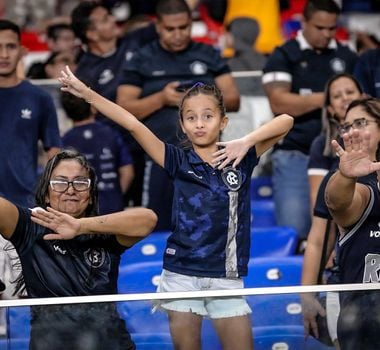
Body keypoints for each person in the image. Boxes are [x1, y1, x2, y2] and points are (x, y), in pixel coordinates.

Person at [58, 64, 293, 350]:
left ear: (223, 121)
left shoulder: (241, 157)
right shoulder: (176, 160)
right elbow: (132, 123)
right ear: (182, 124)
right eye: (191, 117)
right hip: (181, 275)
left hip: (226, 277)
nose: (200, 123)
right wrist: (87, 94)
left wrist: (246, 141)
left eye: (208, 116)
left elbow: (286, 120)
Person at [0, 148, 157, 349]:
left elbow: (148, 220)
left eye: (81, 183)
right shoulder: (29, 227)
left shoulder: (103, 232)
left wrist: (80, 226)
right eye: (60, 182)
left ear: (90, 196)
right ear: (46, 194)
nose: (70, 189)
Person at [116, 0, 241, 231]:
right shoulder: (141, 58)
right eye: (170, 29)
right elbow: (123, 108)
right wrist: (161, 99)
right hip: (159, 158)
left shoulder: (208, 54)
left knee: (211, 226)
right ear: (158, 27)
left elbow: (233, 99)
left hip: (208, 159)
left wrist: (198, 99)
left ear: (191, 24)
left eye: (183, 27)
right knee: (156, 224)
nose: (178, 34)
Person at [261, 0, 357, 240]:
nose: (326, 34)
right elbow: (279, 102)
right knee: (295, 233)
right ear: (303, 22)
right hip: (295, 153)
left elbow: (362, 102)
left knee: (348, 230)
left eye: (332, 28)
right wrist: (330, 98)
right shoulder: (283, 54)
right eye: (319, 27)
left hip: (342, 154)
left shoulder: (348, 56)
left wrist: (306, 100)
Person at [0, 18, 61, 311]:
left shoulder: (39, 98)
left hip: (22, 215)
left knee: (19, 309)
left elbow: (54, 156)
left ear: (22, 51)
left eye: (10, 46)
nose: (4, 53)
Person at [325, 97, 380, 349]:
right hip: (365, 329)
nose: (353, 131)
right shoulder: (363, 191)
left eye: (361, 122)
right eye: (347, 126)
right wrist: (345, 176)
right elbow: (337, 202)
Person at [61, 91, 135, 214]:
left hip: (81, 212)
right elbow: (128, 172)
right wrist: (115, 196)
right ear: (93, 107)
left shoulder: (64, 141)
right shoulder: (112, 134)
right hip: (113, 207)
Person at [308, 73, 364, 209]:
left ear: (364, 98)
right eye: (337, 96)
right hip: (339, 219)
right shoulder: (321, 144)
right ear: (330, 109)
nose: (345, 98)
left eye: (350, 92)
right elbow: (318, 201)